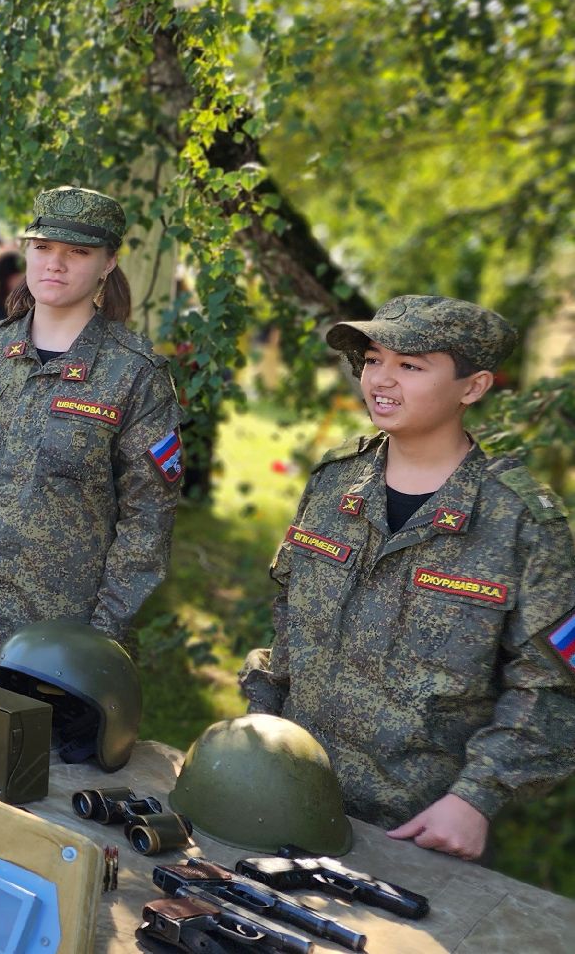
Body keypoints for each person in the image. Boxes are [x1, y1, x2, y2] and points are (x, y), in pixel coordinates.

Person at [238, 296, 575, 861]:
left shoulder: (521, 523)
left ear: (473, 387)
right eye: (373, 360)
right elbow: (290, 622)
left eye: (411, 366)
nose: (381, 381)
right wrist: (259, 723)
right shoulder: (334, 485)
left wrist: (475, 798)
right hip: (289, 789)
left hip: (419, 827)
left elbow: (553, 686)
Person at [0, 187, 181, 675]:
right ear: (26, 252)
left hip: (60, 645)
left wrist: (98, 638)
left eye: (78, 252)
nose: (56, 264)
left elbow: (147, 524)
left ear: (108, 262)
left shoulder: (134, 373)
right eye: (43, 247)